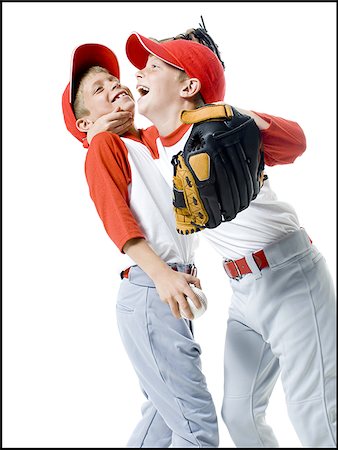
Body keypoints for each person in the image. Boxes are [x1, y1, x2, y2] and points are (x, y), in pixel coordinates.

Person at [124, 32, 337, 448]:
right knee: (239, 414)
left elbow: (297, 142)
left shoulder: (226, 128)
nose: (139, 72)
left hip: (290, 277)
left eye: (155, 66)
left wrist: (236, 115)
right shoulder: (151, 145)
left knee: (316, 413)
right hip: (243, 292)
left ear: (189, 87)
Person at [62, 43, 220, 448]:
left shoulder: (147, 143)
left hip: (166, 288)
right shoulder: (105, 147)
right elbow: (120, 222)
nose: (114, 86)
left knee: (164, 421)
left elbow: (175, 121)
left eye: (114, 80)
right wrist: (164, 274)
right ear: (85, 124)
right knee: (197, 427)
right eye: (99, 90)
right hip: (152, 289)